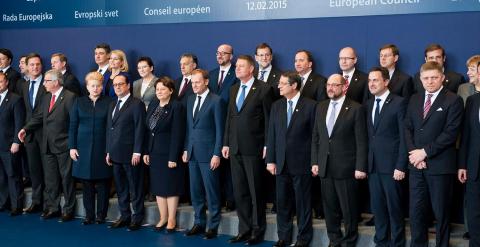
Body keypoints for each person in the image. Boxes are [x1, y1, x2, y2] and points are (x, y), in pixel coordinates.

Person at [404, 61, 463, 247]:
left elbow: (450, 133)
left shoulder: (453, 100)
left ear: (442, 78)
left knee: (442, 213)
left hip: (440, 166)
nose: (430, 81)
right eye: (426, 78)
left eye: (434, 78)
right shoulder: (414, 99)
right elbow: (407, 128)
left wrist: (424, 153)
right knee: (416, 212)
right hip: (416, 166)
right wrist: (415, 155)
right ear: (420, 79)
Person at [311, 74, 367, 247]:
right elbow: (316, 137)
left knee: (348, 209)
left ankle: (349, 241)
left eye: (335, 85)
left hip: (347, 168)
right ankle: (334, 240)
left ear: (344, 87)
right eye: (329, 84)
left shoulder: (356, 108)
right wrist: (315, 161)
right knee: (329, 208)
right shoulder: (321, 107)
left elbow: (361, 141)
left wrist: (360, 166)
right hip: (324, 167)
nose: (331, 88)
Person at [222, 55, 273, 245]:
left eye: (241, 66)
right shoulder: (234, 88)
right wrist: (226, 142)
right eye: (237, 66)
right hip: (235, 148)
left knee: (255, 192)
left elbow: (269, 120)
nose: (237, 69)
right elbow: (230, 118)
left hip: (254, 148)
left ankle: (257, 231)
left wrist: (268, 145)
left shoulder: (264, 89)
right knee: (240, 192)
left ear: (252, 69)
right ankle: (244, 229)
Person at [18, 69, 77, 222]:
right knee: (50, 179)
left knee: (66, 179)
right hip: (47, 145)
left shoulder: (70, 97)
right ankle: (52, 208)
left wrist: (72, 144)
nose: (44, 84)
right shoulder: (46, 98)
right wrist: (25, 129)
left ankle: (68, 210)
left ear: (56, 82)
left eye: (46, 81)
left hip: (64, 145)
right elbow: (38, 117)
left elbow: (74, 122)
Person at [266, 71, 316, 247]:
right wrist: (270, 160)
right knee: (282, 203)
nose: (278, 86)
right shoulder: (277, 106)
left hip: (302, 163)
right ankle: (283, 237)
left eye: (282, 83)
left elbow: (315, 137)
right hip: (280, 163)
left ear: (294, 85)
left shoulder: (311, 106)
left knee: (303, 203)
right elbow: (271, 135)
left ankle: (303, 238)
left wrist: (314, 162)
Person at [365, 67, 407, 247]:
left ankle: (397, 244)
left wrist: (401, 165)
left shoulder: (399, 103)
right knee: (378, 209)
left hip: (392, 167)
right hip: (373, 166)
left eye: (375, 80)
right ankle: (381, 242)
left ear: (386, 81)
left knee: (394, 209)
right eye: (369, 81)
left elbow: (405, 138)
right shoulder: (368, 104)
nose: (371, 84)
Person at [183, 69, 225, 239]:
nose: (194, 85)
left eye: (197, 82)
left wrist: (217, 154)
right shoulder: (190, 99)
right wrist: (186, 148)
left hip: (209, 155)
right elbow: (189, 128)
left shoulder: (216, 101)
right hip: (192, 153)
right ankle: (199, 222)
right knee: (195, 192)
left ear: (206, 82)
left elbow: (220, 131)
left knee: (211, 191)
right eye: (192, 82)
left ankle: (213, 225)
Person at [68, 72, 113, 225]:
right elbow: (73, 125)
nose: (95, 88)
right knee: (86, 183)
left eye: (98, 86)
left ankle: (101, 215)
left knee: (103, 183)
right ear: (87, 87)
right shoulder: (78, 102)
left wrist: (109, 149)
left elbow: (111, 127)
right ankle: (89, 215)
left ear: (102, 87)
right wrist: (72, 147)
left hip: (103, 147)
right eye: (92, 86)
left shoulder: (109, 102)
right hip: (82, 147)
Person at [143, 76, 185, 233]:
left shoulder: (176, 106)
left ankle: (172, 219)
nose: (159, 92)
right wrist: (147, 151)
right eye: (157, 89)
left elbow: (177, 133)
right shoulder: (154, 103)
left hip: (169, 154)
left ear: (171, 90)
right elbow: (149, 130)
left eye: (163, 89)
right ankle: (163, 217)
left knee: (171, 187)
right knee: (159, 187)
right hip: (155, 152)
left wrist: (173, 157)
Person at [106, 74, 146, 231]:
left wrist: (137, 151)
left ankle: (137, 217)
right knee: (121, 188)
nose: (117, 87)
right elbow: (110, 130)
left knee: (135, 187)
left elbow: (139, 129)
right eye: (115, 85)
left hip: (131, 154)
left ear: (128, 85)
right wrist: (108, 151)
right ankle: (124, 216)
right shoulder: (112, 105)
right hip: (115, 154)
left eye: (120, 84)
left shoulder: (137, 104)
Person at [294, 49, 326, 219]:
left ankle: (319, 209)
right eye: (296, 60)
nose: (297, 63)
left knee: (315, 177)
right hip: (296, 139)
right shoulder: (293, 79)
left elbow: (321, 109)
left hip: (312, 136)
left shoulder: (320, 81)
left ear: (310, 63)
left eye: (301, 60)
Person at [209, 44, 238, 212]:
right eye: (218, 53)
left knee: (228, 165)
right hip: (212, 124)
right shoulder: (211, 75)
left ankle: (230, 199)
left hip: (229, 123)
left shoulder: (236, 74)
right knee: (214, 163)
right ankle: (216, 199)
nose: (220, 56)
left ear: (231, 56)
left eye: (224, 53)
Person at [19, 53, 46, 214]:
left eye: (38, 64)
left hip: (45, 133)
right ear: (27, 67)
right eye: (32, 65)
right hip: (29, 135)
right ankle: (36, 202)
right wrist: (24, 129)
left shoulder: (48, 83)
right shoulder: (24, 85)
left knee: (48, 171)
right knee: (34, 169)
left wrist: (26, 127)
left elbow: (42, 112)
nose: (35, 67)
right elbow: (26, 111)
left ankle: (50, 204)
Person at [459, 66, 480, 247]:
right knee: (474, 215)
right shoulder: (472, 101)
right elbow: (466, 135)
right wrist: (462, 165)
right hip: (475, 169)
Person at [0, 72, 25, 216]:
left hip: (10, 145)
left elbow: (19, 123)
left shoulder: (15, 99)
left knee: (13, 175)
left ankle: (17, 206)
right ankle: (3, 203)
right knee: (1, 177)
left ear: (7, 82)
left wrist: (16, 142)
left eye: (1, 81)